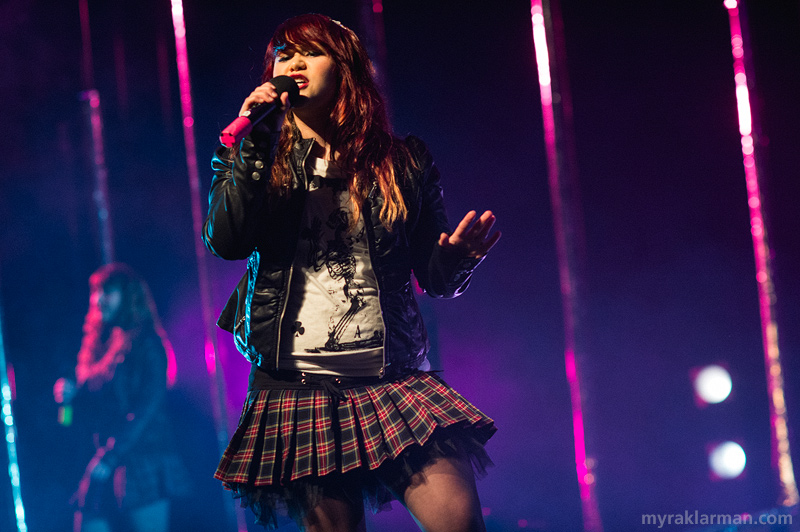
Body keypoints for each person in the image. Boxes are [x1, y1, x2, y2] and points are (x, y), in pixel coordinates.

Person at [204, 13, 501, 532]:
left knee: (460, 523)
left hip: (394, 381)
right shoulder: (254, 151)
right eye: (283, 54)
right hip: (298, 389)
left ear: (346, 70)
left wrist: (457, 256)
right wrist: (253, 143)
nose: (293, 63)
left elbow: (435, 280)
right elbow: (228, 241)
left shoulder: (403, 161)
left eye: (310, 52)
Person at [53, 263, 190, 532]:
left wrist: (111, 455)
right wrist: (66, 401)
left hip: (140, 463)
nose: (97, 299)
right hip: (104, 463)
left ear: (128, 296)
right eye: (95, 292)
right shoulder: (100, 346)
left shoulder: (148, 344)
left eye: (106, 291)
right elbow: (67, 422)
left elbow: (147, 411)